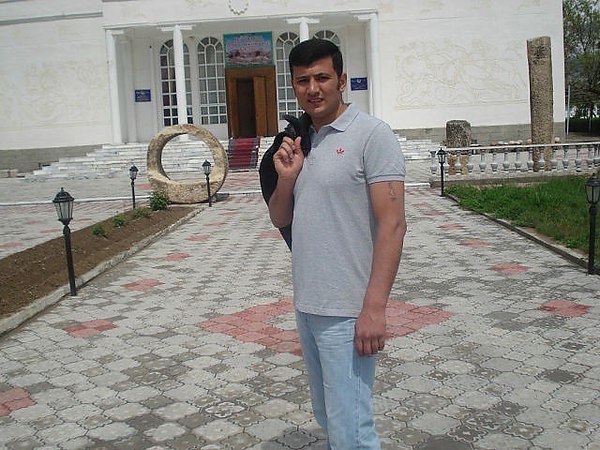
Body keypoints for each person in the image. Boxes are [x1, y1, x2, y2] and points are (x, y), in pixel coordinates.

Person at [264, 38, 407, 450]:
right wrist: (287, 178)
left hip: (348, 309)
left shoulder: (371, 136)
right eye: (302, 81)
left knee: (351, 429)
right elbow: (280, 218)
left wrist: (374, 308)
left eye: (322, 77)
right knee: (329, 415)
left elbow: (393, 224)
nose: (313, 88)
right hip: (309, 304)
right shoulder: (302, 142)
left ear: (342, 80)